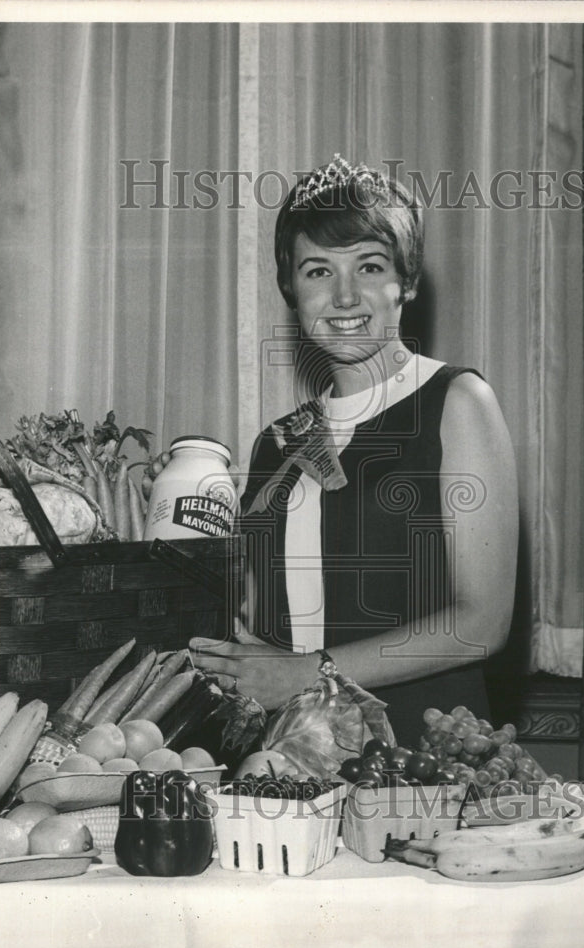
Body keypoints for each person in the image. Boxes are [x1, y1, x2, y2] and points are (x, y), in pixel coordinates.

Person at [186, 154, 519, 746]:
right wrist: (177, 511)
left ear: (407, 282)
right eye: (317, 271)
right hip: (289, 763)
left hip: (424, 760)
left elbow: (482, 622)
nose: (343, 296)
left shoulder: (457, 401)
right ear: (291, 289)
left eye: (368, 266)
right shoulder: (278, 442)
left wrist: (310, 673)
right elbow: (260, 633)